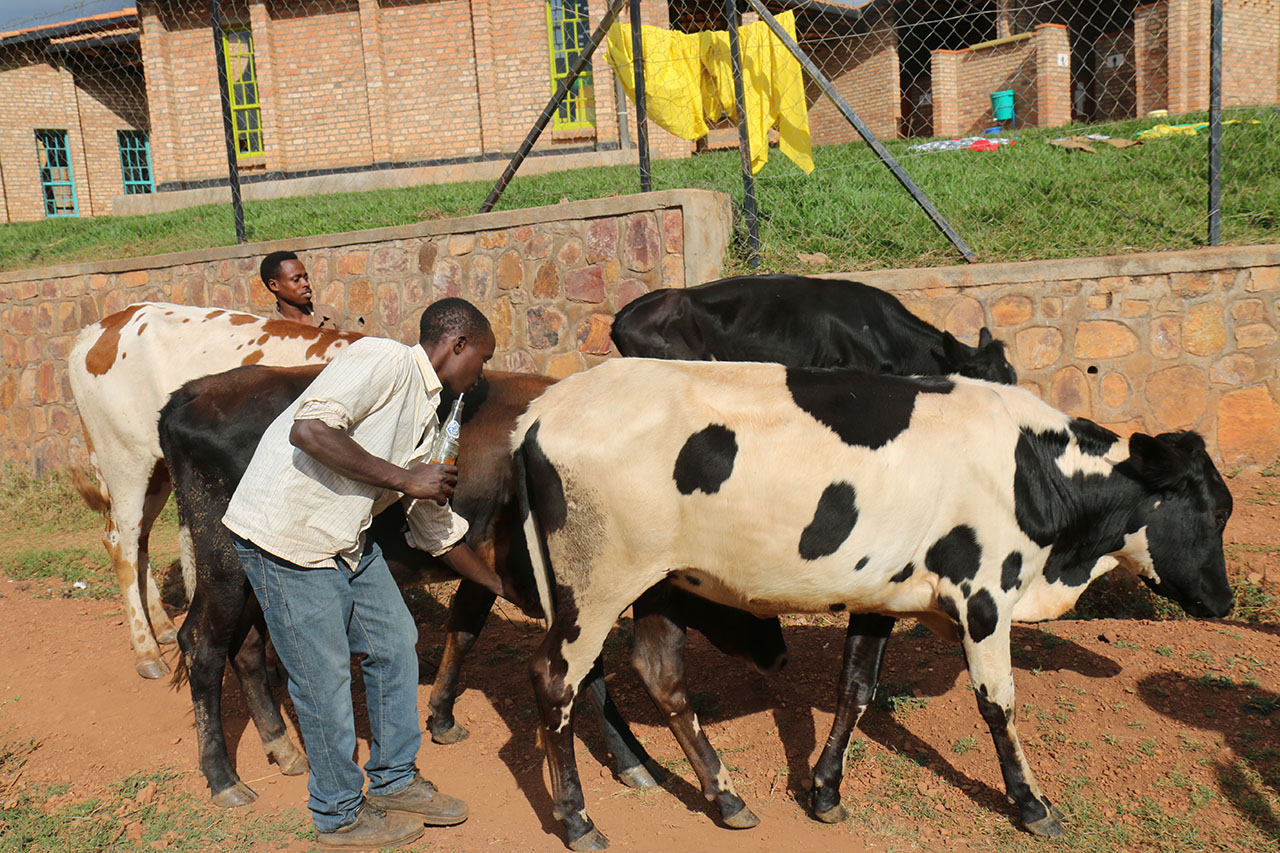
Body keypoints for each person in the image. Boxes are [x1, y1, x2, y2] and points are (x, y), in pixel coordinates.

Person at [222, 297, 505, 849]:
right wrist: (405, 477)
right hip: (290, 538)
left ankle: (395, 779)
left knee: (397, 642)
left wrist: (498, 585)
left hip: (345, 540)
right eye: (484, 358)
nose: (481, 373)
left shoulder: (430, 416)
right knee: (322, 678)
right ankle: (338, 814)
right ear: (458, 345)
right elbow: (309, 430)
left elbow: (433, 525)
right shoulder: (382, 358)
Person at [260, 250, 356, 330]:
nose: (306, 284)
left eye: (305, 278)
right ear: (274, 285)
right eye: (296, 280)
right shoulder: (272, 332)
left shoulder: (328, 315)